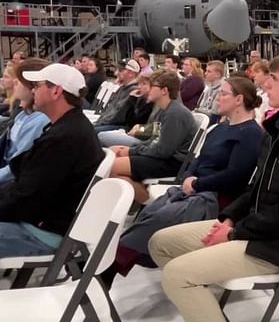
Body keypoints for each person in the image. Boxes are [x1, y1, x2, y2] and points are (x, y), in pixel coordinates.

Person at [148, 53, 279, 322]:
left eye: (273, 78)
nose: (266, 85)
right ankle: (204, 308)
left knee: (176, 276)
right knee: (161, 243)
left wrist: (235, 232)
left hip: (274, 246)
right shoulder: (277, 130)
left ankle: (199, 298)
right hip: (252, 229)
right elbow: (254, 189)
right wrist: (228, 219)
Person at [101, 77, 265, 287]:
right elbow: (199, 158)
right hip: (197, 188)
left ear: (239, 100)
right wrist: (188, 177)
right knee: (151, 211)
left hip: (217, 198)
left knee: (162, 216)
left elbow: (235, 177)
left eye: (223, 93)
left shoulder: (250, 134)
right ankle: (116, 260)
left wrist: (197, 184)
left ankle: (111, 264)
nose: (217, 98)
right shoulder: (221, 128)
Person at [0, 63, 104, 260]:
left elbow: (28, 196)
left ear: (56, 91)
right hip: (43, 220)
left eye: (37, 85)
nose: (33, 90)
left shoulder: (64, 138)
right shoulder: (68, 127)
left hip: (42, 232)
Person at [109, 70, 197, 204]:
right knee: (114, 155)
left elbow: (163, 151)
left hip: (172, 163)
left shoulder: (174, 113)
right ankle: (137, 204)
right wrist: (130, 149)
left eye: (152, 85)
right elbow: (154, 140)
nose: (148, 89)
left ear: (164, 90)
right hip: (163, 157)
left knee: (112, 167)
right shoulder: (166, 110)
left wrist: (131, 151)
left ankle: (149, 205)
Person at [0, 58, 51, 186]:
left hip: (9, 180)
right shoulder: (23, 114)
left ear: (32, 87)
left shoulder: (39, 120)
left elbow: (17, 164)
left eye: (19, 81)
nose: (15, 83)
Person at [97, 74, 158, 147]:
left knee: (101, 135)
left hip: (140, 136)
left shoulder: (153, 103)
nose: (139, 87)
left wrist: (138, 130)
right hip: (131, 129)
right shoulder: (141, 99)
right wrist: (131, 99)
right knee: (98, 131)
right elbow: (128, 119)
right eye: (139, 84)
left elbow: (139, 123)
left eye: (144, 84)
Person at [93, 59, 141, 133]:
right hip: (111, 123)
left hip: (123, 126)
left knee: (93, 131)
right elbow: (111, 109)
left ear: (131, 73)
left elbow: (119, 116)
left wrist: (101, 123)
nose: (116, 73)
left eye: (120, 70)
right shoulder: (123, 88)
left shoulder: (134, 91)